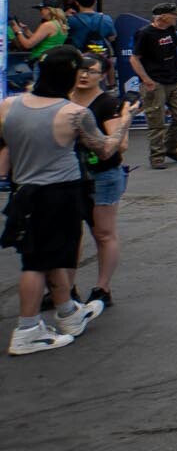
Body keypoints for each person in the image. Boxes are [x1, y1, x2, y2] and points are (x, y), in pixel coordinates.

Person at [5, 47, 116, 353]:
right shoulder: (74, 113)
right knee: (37, 263)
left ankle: (67, 311)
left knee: (54, 256)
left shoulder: (8, 105)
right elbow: (105, 149)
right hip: (58, 192)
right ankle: (27, 329)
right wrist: (125, 122)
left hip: (24, 189)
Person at [68, 49, 133, 310]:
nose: (84, 75)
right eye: (80, 70)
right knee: (71, 234)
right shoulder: (63, 100)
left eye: (91, 71)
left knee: (103, 233)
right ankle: (65, 289)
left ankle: (102, 288)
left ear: (102, 75)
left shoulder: (107, 104)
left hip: (103, 175)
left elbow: (121, 144)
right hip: (69, 176)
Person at [132, 2, 177, 168]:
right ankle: (157, 156)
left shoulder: (170, 30)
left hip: (174, 79)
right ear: (163, 16)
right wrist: (147, 80)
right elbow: (134, 59)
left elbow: (173, 51)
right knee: (156, 121)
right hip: (155, 82)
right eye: (174, 14)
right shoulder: (145, 33)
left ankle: (170, 148)